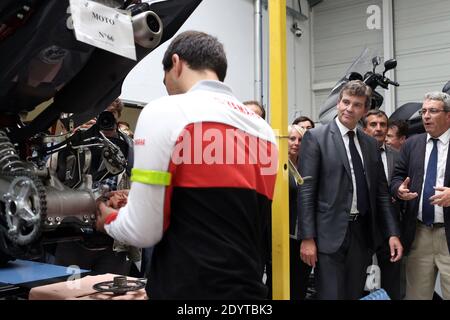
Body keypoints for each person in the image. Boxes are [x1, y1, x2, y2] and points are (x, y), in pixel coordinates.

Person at [95, 31, 278, 299]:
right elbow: (223, 210)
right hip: (250, 293)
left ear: (177, 63)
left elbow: (142, 231)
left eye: (165, 77)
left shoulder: (166, 111)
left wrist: (107, 218)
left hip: (187, 290)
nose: (166, 85)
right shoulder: (264, 130)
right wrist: (140, 198)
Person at [298, 80, 403, 300]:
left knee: (354, 295)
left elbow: (381, 193)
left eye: (356, 104)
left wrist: (392, 233)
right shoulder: (316, 138)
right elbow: (306, 191)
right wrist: (307, 237)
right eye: (346, 102)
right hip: (329, 235)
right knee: (331, 296)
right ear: (338, 103)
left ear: (364, 110)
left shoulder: (370, 143)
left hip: (361, 234)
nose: (349, 108)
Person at [391, 91, 450, 300]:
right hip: (419, 233)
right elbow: (397, 176)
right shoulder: (412, 144)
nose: (425, 116)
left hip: (447, 235)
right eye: (424, 111)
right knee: (416, 295)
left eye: (432, 111)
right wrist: (399, 189)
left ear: (448, 116)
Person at [362, 109, 403, 299]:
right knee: (362, 282)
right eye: (373, 124)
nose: (379, 129)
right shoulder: (356, 154)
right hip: (361, 227)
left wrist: (398, 192)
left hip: (391, 227)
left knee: (392, 281)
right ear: (364, 128)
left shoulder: (398, 155)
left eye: (383, 125)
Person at [287, 124, 312, 300]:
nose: (296, 143)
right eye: (292, 138)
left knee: (300, 283)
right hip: (282, 235)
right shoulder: (275, 163)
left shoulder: (308, 165)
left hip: (303, 235)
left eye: (300, 139)